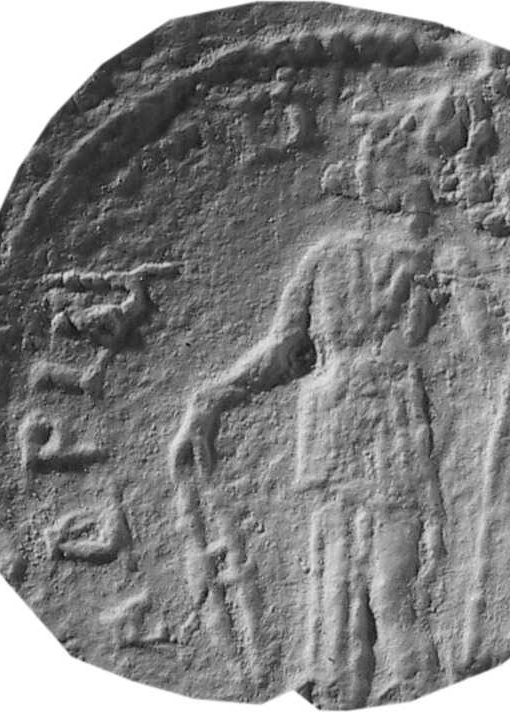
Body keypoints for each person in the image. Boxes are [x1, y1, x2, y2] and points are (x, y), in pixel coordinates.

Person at [169, 165, 449, 705]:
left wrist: (214, 398)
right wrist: (211, 400)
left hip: (359, 414)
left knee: (364, 573)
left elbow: (282, 350)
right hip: (363, 414)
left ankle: (372, 675)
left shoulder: (368, 260)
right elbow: (283, 349)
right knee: (360, 567)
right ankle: (353, 679)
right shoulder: (360, 259)